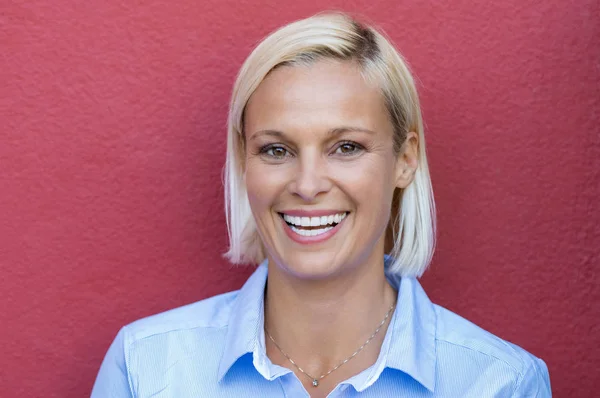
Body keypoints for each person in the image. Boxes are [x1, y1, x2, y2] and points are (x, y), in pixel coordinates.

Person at [91, 12, 551, 398]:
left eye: (346, 147)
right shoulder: (146, 367)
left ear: (405, 161)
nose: (307, 185)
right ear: (244, 164)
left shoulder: (501, 383)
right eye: (276, 150)